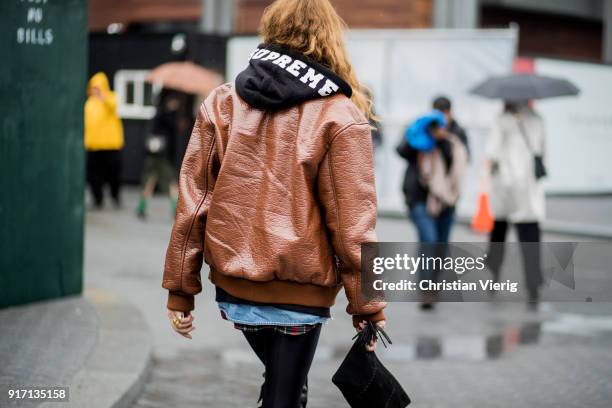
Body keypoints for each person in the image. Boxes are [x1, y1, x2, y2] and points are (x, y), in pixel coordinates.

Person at [161, 1, 387, 407]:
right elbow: (353, 223)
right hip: (301, 293)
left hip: (234, 290)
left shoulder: (222, 102)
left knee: (283, 387)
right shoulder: (339, 114)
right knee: (284, 394)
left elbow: (193, 201)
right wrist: (366, 306)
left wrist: (181, 289)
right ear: (329, 38)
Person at [396, 110, 468, 310]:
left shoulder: (455, 137)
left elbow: (462, 163)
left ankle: (433, 284)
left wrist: (443, 141)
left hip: (447, 200)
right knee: (429, 240)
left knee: (441, 244)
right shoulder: (419, 136)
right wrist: (417, 131)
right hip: (418, 198)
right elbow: (401, 150)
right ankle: (426, 290)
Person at [486, 100, 546, 309]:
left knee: (498, 240)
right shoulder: (538, 120)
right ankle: (533, 287)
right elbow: (543, 155)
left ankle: (492, 279)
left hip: (505, 189)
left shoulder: (501, 121)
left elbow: (492, 153)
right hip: (529, 192)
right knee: (531, 241)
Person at [136, 89, 194, 219]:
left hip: (155, 154)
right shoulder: (166, 115)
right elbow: (169, 129)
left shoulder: (161, 113)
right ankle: (175, 209)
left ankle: (141, 207)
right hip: (162, 156)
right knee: (170, 182)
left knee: (150, 180)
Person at [84, 72, 124, 209]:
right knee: (94, 175)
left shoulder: (111, 98)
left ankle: (115, 196)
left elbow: (113, 106)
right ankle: (98, 198)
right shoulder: (89, 103)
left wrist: (103, 96)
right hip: (94, 146)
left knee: (113, 174)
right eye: (93, 88)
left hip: (111, 144)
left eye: (98, 87)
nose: (95, 90)